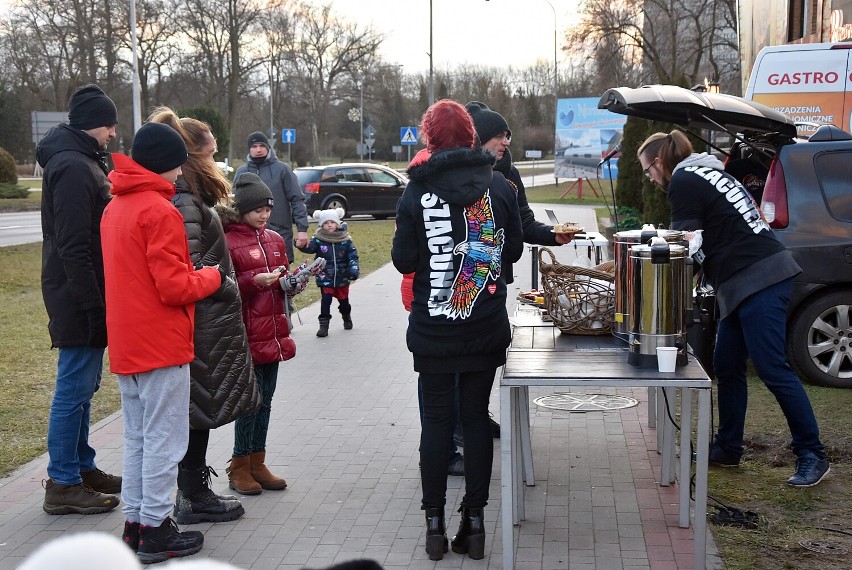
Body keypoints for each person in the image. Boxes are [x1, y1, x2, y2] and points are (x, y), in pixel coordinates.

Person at [637, 130, 830, 487]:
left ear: (660, 162)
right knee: (726, 365)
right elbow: (706, 234)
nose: (650, 179)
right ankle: (728, 447)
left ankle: (813, 454)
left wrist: (659, 288)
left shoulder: (682, 179)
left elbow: (689, 246)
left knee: (773, 369)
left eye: (648, 171)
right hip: (746, 280)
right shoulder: (706, 171)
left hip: (760, 277)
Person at [391, 99, 523, 561]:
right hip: (483, 327)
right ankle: (475, 523)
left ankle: (433, 528)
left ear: (429, 141)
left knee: (436, 424)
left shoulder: (415, 193)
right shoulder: (501, 188)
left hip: (434, 331)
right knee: (475, 421)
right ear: (472, 137)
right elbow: (513, 255)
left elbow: (404, 261)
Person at [101, 121, 225, 562]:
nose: (179, 174)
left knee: (137, 438)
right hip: (161, 342)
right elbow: (174, 287)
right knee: (164, 441)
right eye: (178, 165)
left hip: (128, 341)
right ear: (170, 164)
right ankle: (155, 528)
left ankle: (135, 524)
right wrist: (212, 276)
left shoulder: (115, 207)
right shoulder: (159, 210)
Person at [147, 107, 259, 524]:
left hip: (209, 325)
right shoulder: (187, 203)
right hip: (203, 326)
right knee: (200, 409)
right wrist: (227, 285)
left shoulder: (192, 199)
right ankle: (192, 494)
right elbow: (189, 271)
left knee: (202, 407)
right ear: (194, 158)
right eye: (212, 155)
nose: (218, 164)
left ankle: (192, 489)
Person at [463, 101, 577, 440]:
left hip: (495, 283)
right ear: (479, 139)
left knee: (486, 359)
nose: (507, 141)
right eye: (499, 135)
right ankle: (458, 430)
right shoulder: (460, 177)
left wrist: (552, 236)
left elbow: (523, 221)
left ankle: (478, 416)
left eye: (508, 134)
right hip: (464, 284)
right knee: (459, 364)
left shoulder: (508, 176)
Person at [36, 83, 122, 515]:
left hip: (84, 292)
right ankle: (63, 482)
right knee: (73, 388)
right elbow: (74, 245)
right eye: (110, 127)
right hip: (77, 296)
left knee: (85, 386)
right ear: (98, 125)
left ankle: (81, 467)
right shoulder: (72, 166)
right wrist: (92, 304)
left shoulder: (82, 160)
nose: (112, 136)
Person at [219, 172, 306, 495]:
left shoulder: (273, 239)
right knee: (249, 402)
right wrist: (251, 283)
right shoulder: (227, 239)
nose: (264, 215)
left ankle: (258, 460)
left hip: (273, 331)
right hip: (245, 334)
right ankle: (239, 465)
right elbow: (223, 287)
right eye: (257, 209)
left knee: (266, 401)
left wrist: (293, 284)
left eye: (268, 209)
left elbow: (282, 281)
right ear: (241, 209)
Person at [233, 131, 309, 265]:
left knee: (282, 275)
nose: (258, 149)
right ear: (249, 149)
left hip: (280, 232)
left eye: (261, 145)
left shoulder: (282, 169)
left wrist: (302, 229)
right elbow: (234, 203)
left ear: (268, 147)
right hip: (249, 236)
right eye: (254, 146)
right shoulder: (242, 172)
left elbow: (297, 199)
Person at [298, 208, 360, 337]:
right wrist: (302, 245)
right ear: (321, 225)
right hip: (325, 276)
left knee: (344, 303)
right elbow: (310, 248)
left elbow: (353, 256)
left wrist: (353, 269)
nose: (329, 225)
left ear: (338, 223)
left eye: (332, 222)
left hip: (342, 276)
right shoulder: (319, 239)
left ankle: (346, 316)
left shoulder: (345, 239)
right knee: (326, 300)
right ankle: (323, 325)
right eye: (326, 223)